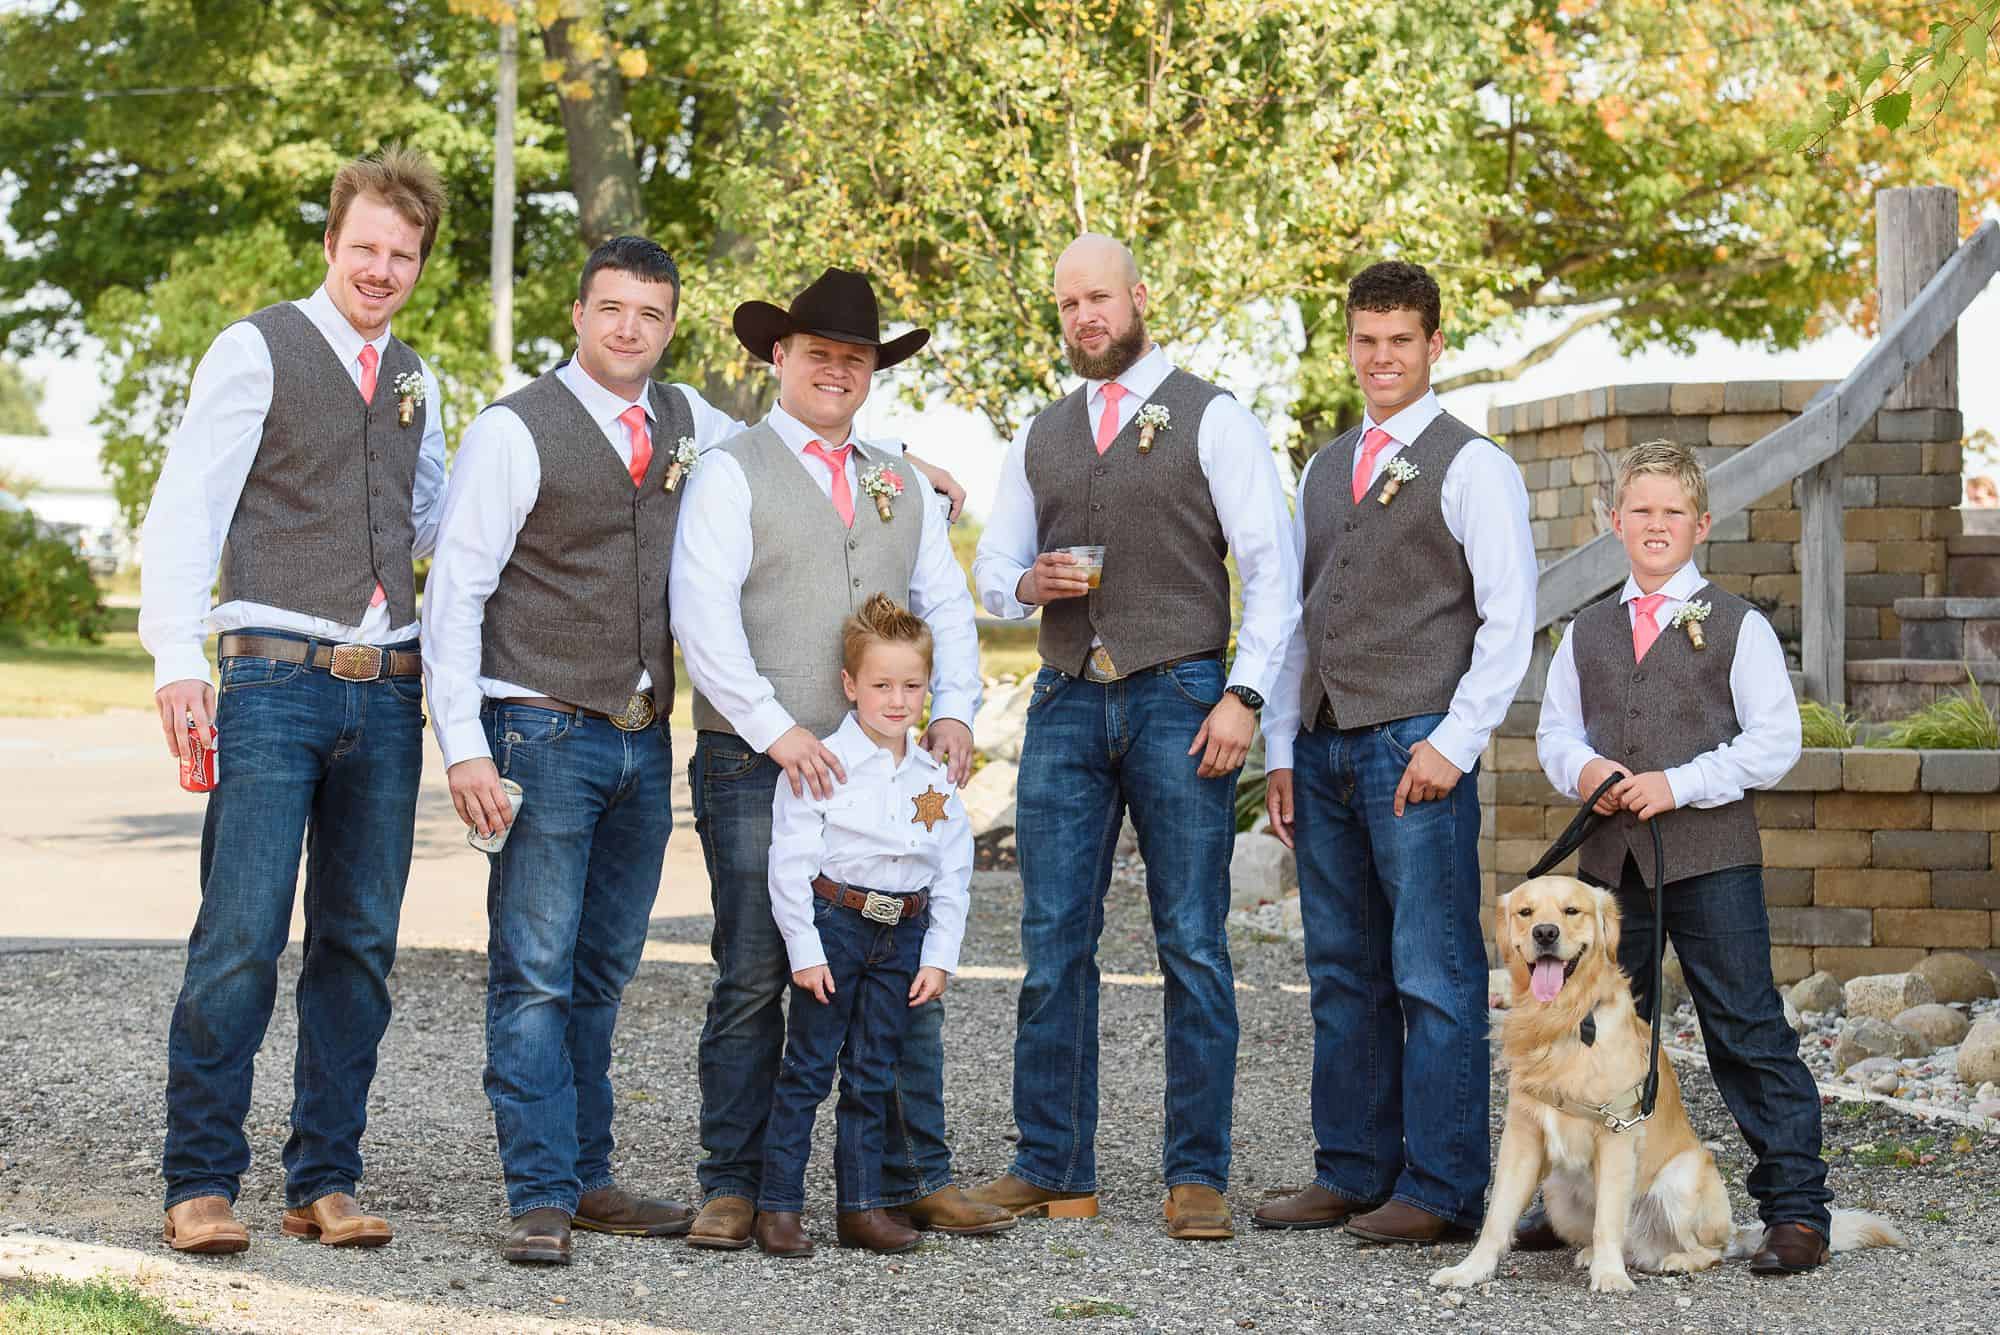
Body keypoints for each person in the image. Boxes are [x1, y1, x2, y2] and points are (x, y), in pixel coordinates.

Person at [141, 146, 448, 1256]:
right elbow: (189, 504)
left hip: (387, 693)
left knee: (360, 943)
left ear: (419, 263)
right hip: (271, 679)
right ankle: (199, 1181)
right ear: (331, 244)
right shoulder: (256, 348)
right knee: (240, 933)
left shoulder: (418, 378)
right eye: (363, 247)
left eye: (400, 254)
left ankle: (323, 1177)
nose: (379, 268)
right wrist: (178, 657)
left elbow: (431, 530)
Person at [968, 234, 1298, 1241]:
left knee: (1191, 942)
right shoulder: (1042, 432)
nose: (1083, 320)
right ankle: (1051, 1165)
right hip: (1066, 699)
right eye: (1067, 305)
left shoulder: (1214, 417)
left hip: (1181, 697)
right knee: (1048, 943)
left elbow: (1272, 572)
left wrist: (1244, 697)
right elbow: (992, 569)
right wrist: (1027, 586)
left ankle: (1195, 1173)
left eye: (1097, 299)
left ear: (1138, 298)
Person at [672, 267, 1006, 1250]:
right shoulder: (733, 471)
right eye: (817, 353)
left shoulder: (895, 478)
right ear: (778, 358)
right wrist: (780, 729)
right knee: (754, 971)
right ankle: (735, 1183)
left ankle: (908, 1176)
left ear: (870, 373)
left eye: (853, 359)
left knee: (897, 964)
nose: (835, 371)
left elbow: (940, 601)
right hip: (756, 764)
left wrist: (950, 711)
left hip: (889, 772)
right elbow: (703, 614)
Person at [422, 236, 726, 1264]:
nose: (627, 328)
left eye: (647, 312)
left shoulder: (689, 421)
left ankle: (589, 1177)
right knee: (535, 974)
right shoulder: (515, 430)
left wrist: (900, 460)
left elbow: (793, 448)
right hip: (537, 730)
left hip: (642, 740)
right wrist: (463, 748)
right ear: (579, 313)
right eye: (610, 308)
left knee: (602, 972)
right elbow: (454, 591)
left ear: (669, 322)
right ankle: (540, 1192)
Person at [1258, 260, 1536, 1242]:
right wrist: (1280, 747)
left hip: (1415, 747)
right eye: (1365, 341)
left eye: (1398, 342)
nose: (1380, 358)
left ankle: (1441, 1187)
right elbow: (1297, 618)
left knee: (1432, 972)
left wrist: (1452, 745)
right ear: (1350, 344)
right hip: (1326, 748)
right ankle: (1352, 1169)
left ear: (1431, 346)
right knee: (1339, 971)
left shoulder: (1472, 464)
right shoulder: (1322, 467)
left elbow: (1508, 621)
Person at [1531, 438, 1828, 1274]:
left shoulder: (1740, 626)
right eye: (1640, 510)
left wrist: (1678, 783)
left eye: (1672, 511)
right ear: (1614, 521)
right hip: (1605, 873)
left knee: (1744, 1027)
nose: (1655, 524)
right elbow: (1555, 733)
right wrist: (1589, 769)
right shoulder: (1586, 630)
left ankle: (1797, 1210)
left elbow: (1776, 743)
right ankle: (1578, 1199)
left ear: (1700, 523)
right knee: (1586, 1030)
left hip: (1710, 860)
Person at [753, 595, 975, 1258]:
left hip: (901, 936)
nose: (898, 699)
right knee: (809, 1068)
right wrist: (804, 950)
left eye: (912, 685)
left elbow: (952, 871)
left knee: (875, 1072)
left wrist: (937, 955)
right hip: (835, 928)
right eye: (881, 684)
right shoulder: (821, 764)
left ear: (928, 687)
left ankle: (861, 1206)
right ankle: (779, 1207)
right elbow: (787, 862)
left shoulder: (934, 776)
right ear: (851, 686)